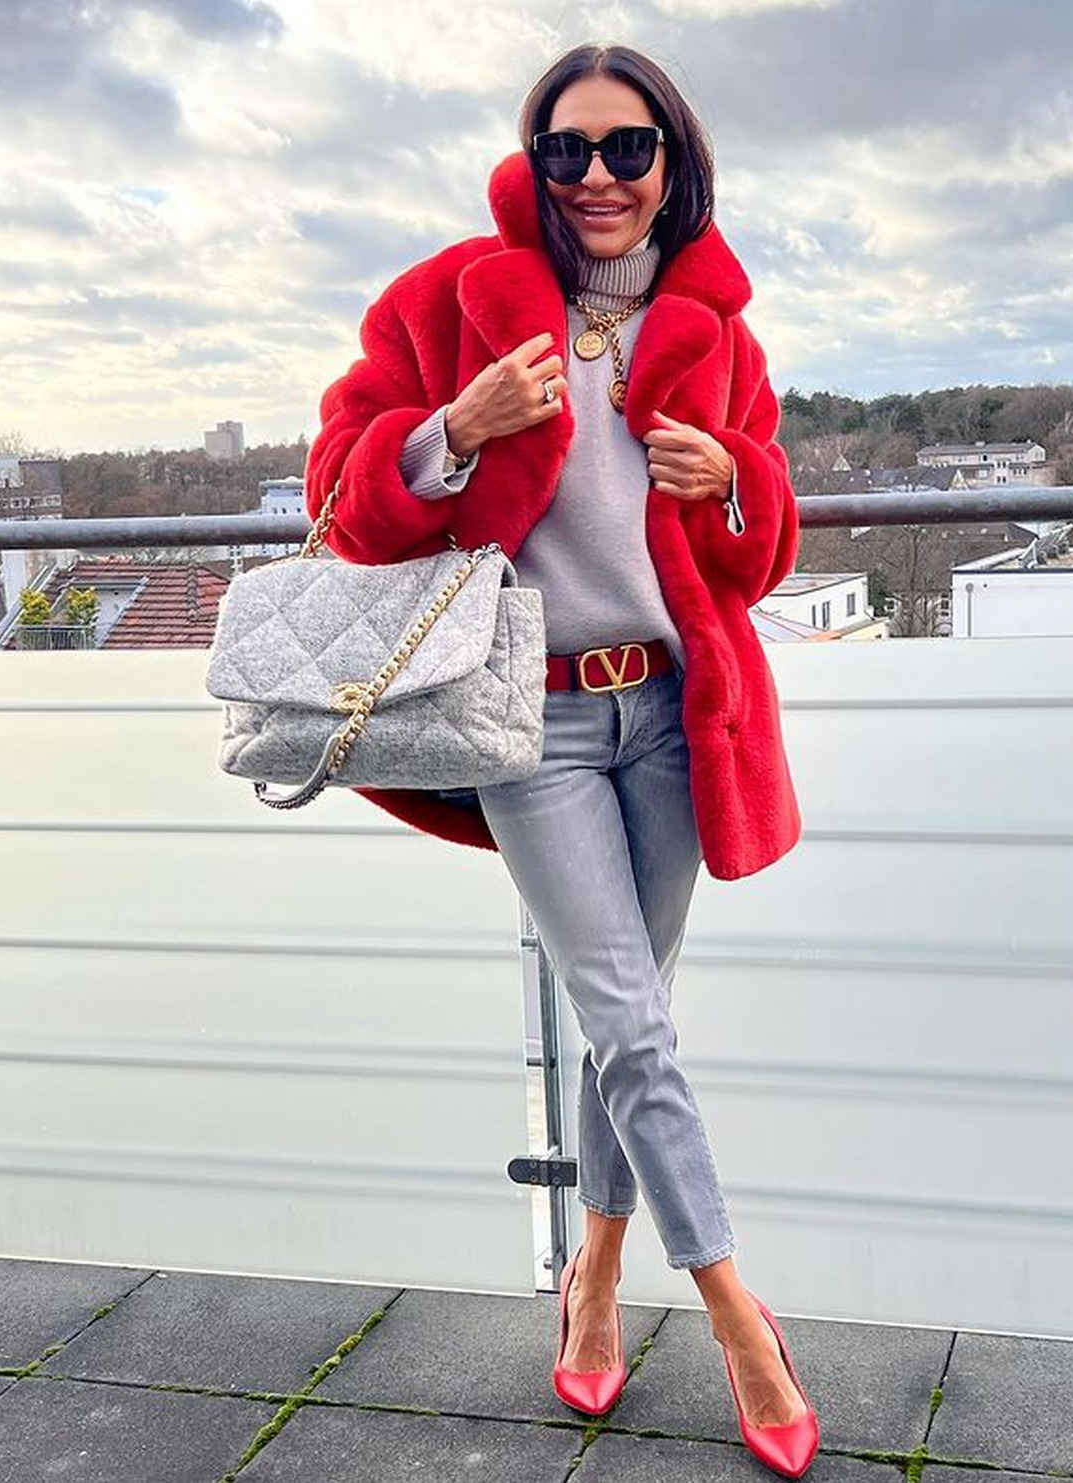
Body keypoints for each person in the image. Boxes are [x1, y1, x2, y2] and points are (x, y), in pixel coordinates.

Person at [305, 41, 816, 1480]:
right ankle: (738, 1317)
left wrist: (738, 487)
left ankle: (593, 1288)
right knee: (632, 1021)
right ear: (535, 164)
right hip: (519, 718)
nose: (596, 175)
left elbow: (757, 558)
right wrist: (450, 437)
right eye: (567, 149)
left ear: (674, 163)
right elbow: (341, 503)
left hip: (670, 712)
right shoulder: (449, 302)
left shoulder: (718, 331)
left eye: (627, 147)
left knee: (626, 1017)